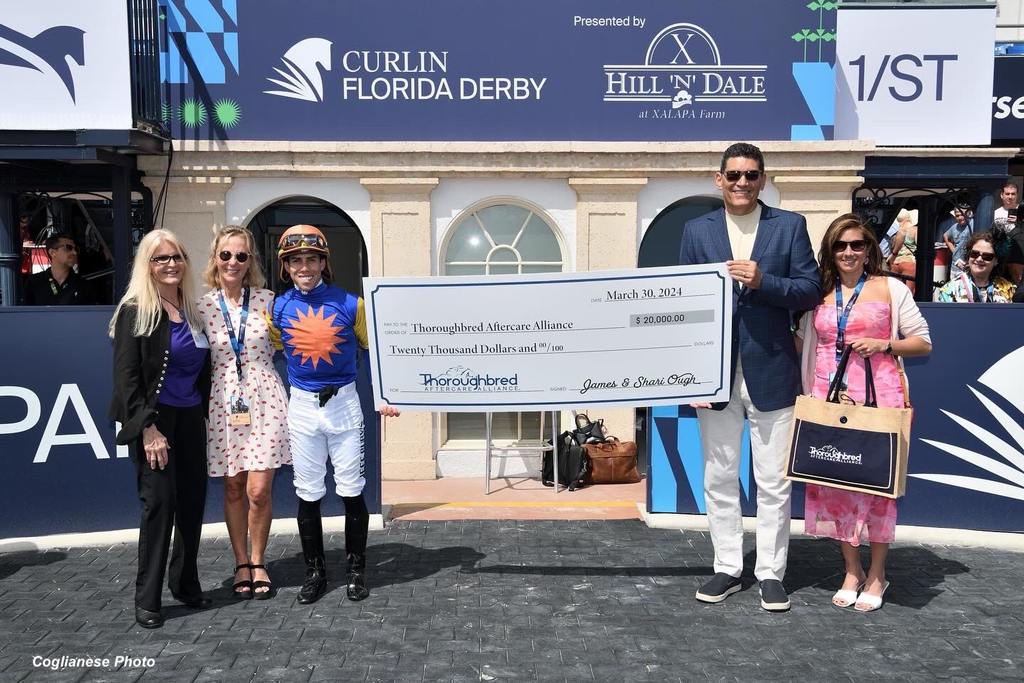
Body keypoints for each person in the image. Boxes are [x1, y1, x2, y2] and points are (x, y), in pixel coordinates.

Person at [679, 143, 820, 612]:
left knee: (774, 480)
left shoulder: (790, 226)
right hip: (714, 375)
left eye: (752, 175)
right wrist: (689, 372)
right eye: (734, 174)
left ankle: (771, 573)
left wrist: (765, 281)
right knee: (719, 475)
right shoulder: (695, 230)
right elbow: (681, 302)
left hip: (772, 369)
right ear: (718, 179)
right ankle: (726, 566)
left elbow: (810, 289)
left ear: (763, 179)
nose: (743, 182)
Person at [797, 214, 931, 611]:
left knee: (877, 489)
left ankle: (877, 575)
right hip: (828, 400)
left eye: (857, 244)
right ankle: (851, 570)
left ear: (869, 248)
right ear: (830, 251)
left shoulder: (890, 288)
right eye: (840, 245)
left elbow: (923, 343)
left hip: (879, 400)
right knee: (835, 484)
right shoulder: (818, 291)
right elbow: (805, 342)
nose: (849, 252)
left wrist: (884, 344)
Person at [270, 225, 400, 605]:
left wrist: (386, 395)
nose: (304, 266)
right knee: (308, 493)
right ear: (286, 267)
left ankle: (356, 570)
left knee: (351, 490)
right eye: (296, 261)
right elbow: (277, 345)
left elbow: (375, 349)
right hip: (303, 407)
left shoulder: (351, 304)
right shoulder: (276, 308)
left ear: (324, 263)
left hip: (344, 405)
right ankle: (315, 573)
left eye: (311, 259)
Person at [108, 229, 212, 629]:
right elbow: (126, 380)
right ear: (147, 266)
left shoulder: (192, 309)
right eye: (160, 258)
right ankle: (147, 598)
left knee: (192, 505)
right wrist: (148, 429)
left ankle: (185, 585)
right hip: (156, 420)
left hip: (190, 419)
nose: (170, 264)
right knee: (159, 506)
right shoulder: (136, 309)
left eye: (176, 257)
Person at [198, 226, 290, 600]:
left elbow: (294, 340)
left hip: (266, 396)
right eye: (226, 255)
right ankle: (240, 563)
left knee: (258, 489)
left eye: (241, 255)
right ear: (215, 259)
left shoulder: (270, 301)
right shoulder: (202, 306)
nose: (233, 262)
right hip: (223, 399)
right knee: (234, 485)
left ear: (251, 261)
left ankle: (258, 560)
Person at [934, 232, 1017, 303]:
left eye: (987, 256)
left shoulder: (1008, 289)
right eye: (974, 254)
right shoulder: (950, 290)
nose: (979, 259)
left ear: (996, 261)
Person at [20, 233, 96, 305]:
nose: (74, 253)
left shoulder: (83, 284)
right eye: (68, 248)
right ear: (52, 252)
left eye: (76, 249)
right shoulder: (34, 282)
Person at [886, 209, 918, 295]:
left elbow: (892, 247)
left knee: (894, 293)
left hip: (895, 263)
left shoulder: (895, 232)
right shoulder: (914, 230)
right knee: (909, 293)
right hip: (909, 263)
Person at [943, 204, 975, 280]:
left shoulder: (973, 224)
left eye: (962, 214)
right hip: (955, 265)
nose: (960, 218)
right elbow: (945, 236)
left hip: (968, 265)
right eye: (957, 216)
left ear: (967, 214)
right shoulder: (954, 227)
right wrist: (954, 251)